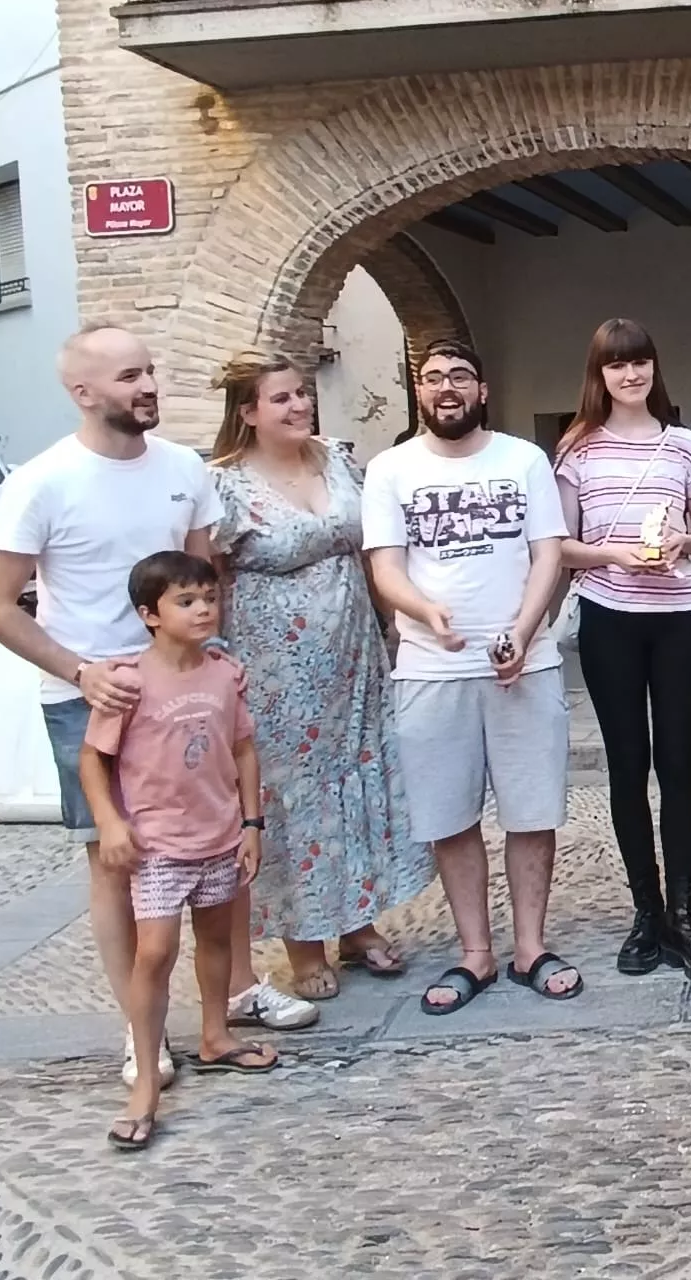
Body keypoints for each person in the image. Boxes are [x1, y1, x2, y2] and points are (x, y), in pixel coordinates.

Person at [0, 326, 314, 1095]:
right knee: (118, 863)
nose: (150, 385)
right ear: (83, 391)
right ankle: (144, 1033)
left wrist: (216, 669)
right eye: (130, 376)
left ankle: (233, 996)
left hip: (190, 691)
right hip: (94, 697)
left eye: (151, 371)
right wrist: (82, 671)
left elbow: (203, 578)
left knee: (221, 843)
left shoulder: (183, 468)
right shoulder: (41, 482)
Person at [362, 339, 580, 1014]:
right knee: (450, 816)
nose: (447, 387)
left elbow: (548, 554)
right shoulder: (390, 468)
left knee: (531, 811)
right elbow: (385, 567)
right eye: (433, 378)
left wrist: (524, 628)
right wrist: (424, 610)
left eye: (460, 376)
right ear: (419, 393)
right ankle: (475, 952)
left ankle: (531, 948)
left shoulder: (523, 459)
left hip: (525, 663)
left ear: (482, 390)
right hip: (431, 668)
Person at [210, 354, 431, 1001]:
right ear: (249, 412)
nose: (300, 405)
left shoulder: (337, 460)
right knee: (293, 798)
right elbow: (208, 578)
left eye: (302, 393)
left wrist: (394, 626)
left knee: (355, 781)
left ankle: (357, 924)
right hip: (276, 673)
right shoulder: (224, 484)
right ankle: (303, 942)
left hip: (354, 657)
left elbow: (371, 552)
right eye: (281, 398)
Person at [79, 552, 277, 1151]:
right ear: (150, 614)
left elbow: (243, 749)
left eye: (209, 599)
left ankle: (215, 1035)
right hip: (159, 845)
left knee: (216, 940)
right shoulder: (128, 682)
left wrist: (252, 823)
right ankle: (145, 1081)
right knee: (155, 952)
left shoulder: (225, 674)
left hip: (220, 835)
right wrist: (110, 823)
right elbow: (93, 759)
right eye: (185, 602)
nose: (202, 610)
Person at [555, 319, 691, 984]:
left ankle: (684, 916)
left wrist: (683, 541)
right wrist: (614, 554)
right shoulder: (577, 448)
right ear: (599, 374)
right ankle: (646, 913)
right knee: (627, 766)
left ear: (655, 368)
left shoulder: (683, 444)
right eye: (616, 365)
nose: (630, 375)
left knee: (677, 764)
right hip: (610, 617)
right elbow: (561, 545)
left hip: (678, 617)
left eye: (640, 362)